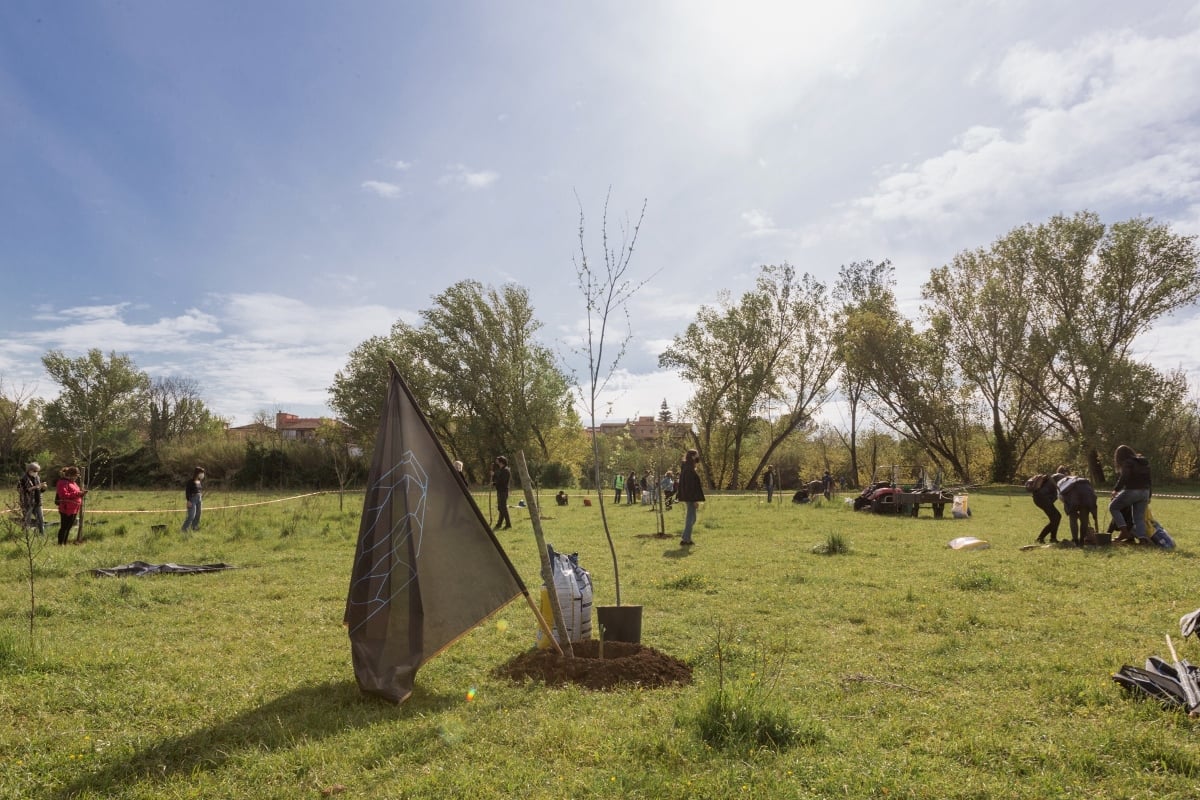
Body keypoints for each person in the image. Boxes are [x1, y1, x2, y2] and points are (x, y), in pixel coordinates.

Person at [1110, 444, 1151, 543]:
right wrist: (1149, 495)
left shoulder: (1127, 463)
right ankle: (1142, 538)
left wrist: (1116, 490)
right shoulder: (1143, 462)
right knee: (1138, 517)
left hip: (1132, 491)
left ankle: (1124, 532)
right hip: (1145, 492)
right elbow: (1149, 480)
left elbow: (1124, 477)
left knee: (1113, 507)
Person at [1055, 466, 1098, 546]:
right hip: (1087, 494)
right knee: (1084, 519)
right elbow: (1091, 491)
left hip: (1073, 497)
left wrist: (1072, 510)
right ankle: (1082, 540)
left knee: (1073, 518)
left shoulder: (1060, 482)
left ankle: (1075, 541)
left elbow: (1061, 498)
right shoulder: (1077, 478)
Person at [676, 449, 705, 546]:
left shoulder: (687, 468)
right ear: (693, 456)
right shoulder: (689, 470)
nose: (698, 457)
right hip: (690, 497)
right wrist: (694, 500)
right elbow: (690, 486)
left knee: (692, 518)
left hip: (689, 496)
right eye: (696, 455)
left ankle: (685, 537)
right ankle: (686, 539)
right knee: (691, 518)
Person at [1026, 470, 1062, 544]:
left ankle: (1053, 538)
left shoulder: (1052, 477)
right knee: (1056, 518)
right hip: (1043, 498)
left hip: (1039, 498)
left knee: (1056, 517)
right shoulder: (1060, 477)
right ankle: (1040, 538)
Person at [55, 465, 87, 545]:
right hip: (66, 508)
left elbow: (76, 493)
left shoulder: (73, 483)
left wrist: (82, 493)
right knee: (64, 527)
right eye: (76, 475)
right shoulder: (62, 482)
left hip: (74, 508)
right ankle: (60, 544)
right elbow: (64, 495)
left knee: (68, 527)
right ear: (70, 475)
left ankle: (64, 544)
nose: (76, 477)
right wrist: (78, 493)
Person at [19, 462, 48, 535]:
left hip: (38, 502)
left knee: (41, 520)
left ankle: (42, 535)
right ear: (30, 470)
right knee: (27, 520)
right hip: (27, 503)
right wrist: (36, 486)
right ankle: (26, 536)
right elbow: (22, 490)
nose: (36, 473)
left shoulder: (37, 477)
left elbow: (40, 490)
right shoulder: (23, 479)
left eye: (37, 471)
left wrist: (43, 488)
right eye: (35, 471)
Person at [182, 466, 205, 533]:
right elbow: (187, 491)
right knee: (192, 515)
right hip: (192, 499)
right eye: (201, 473)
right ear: (197, 473)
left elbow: (199, 490)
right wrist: (188, 500)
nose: (202, 474)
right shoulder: (190, 482)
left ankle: (194, 527)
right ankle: (184, 529)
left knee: (198, 514)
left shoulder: (199, 481)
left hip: (199, 499)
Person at [492, 456, 512, 530]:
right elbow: (497, 479)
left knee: (503, 507)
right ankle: (499, 523)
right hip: (500, 490)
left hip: (503, 491)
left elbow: (502, 481)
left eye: (497, 461)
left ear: (501, 462)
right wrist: (493, 478)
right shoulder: (501, 470)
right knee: (500, 508)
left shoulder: (506, 470)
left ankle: (508, 524)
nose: (496, 462)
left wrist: (495, 483)